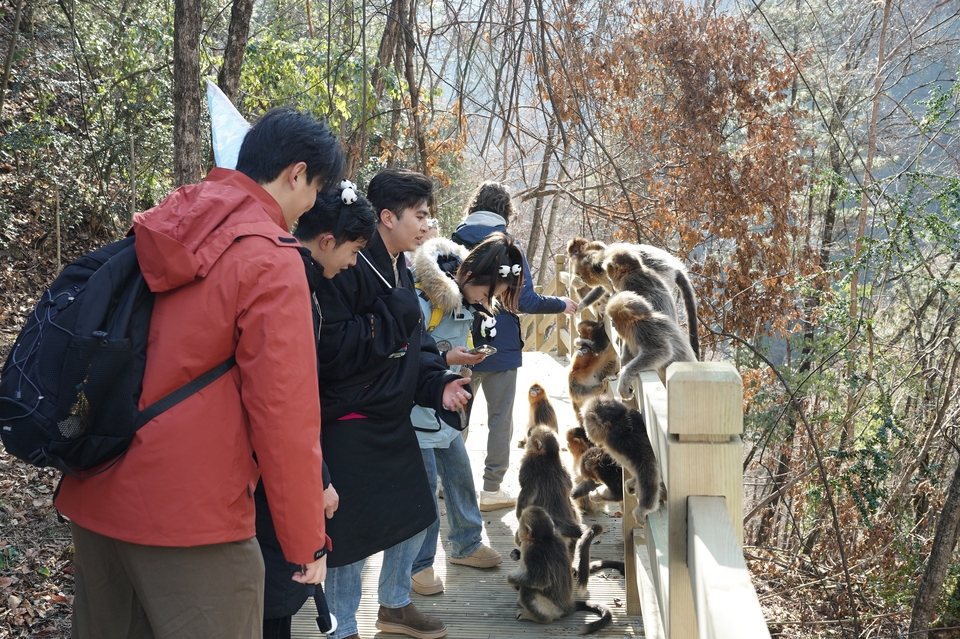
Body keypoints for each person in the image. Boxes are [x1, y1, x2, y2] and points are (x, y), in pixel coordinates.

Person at [55, 107, 344, 638]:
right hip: (192, 520)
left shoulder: (167, 221)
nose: (309, 208)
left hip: (98, 486)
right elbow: (284, 417)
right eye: (315, 191)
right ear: (296, 173)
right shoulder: (270, 258)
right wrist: (305, 540)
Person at [314, 168, 472, 639]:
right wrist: (393, 318)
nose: (428, 225)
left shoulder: (400, 264)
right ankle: (341, 627)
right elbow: (333, 346)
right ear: (387, 217)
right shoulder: (346, 263)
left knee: (415, 512)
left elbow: (415, 341)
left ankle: (395, 605)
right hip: (350, 417)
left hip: (392, 414)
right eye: (420, 216)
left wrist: (438, 381)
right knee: (351, 533)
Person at [256, 188, 379, 639]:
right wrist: (317, 480)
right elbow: (281, 404)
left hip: (270, 469)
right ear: (327, 241)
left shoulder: (296, 277)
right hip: (271, 477)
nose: (353, 262)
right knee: (274, 595)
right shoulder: (288, 284)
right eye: (354, 250)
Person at [407, 232, 525, 596]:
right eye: (489, 293)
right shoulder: (425, 299)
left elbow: (462, 338)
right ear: (473, 277)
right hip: (416, 410)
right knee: (424, 491)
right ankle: (418, 564)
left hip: (447, 407)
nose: (488, 301)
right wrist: (447, 360)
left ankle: (465, 544)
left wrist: (467, 363)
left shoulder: (467, 303)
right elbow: (407, 356)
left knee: (459, 475)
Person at [451, 181, 577, 511]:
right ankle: (491, 489)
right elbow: (525, 301)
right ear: (506, 211)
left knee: (455, 413)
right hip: (501, 344)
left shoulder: (453, 240)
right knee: (499, 420)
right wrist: (560, 304)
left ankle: (446, 482)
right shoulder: (510, 247)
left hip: (457, 342)